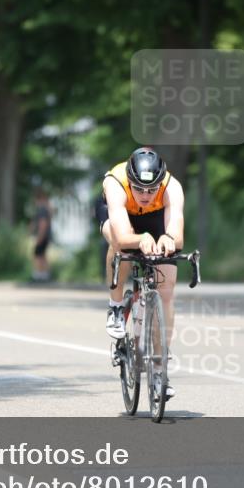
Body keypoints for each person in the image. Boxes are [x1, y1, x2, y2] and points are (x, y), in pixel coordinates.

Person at [98, 147, 185, 399]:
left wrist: (168, 239)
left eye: (151, 190)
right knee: (119, 244)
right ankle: (116, 306)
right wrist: (141, 239)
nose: (145, 195)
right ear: (130, 182)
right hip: (121, 217)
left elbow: (177, 232)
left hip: (155, 218)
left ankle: (160, 368)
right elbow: (124, 236)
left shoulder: (172, 188)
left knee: (167, 285)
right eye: (139, 189)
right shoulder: (116, 184)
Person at [30, 188, 52, 282]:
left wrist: (40, 237)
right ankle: (45, 275)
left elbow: (43, 224)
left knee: (37, 254)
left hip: (42, 235)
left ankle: (38, 275)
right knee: (42, 255)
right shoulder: (46, 209)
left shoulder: (42, 209)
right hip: (46, 236)